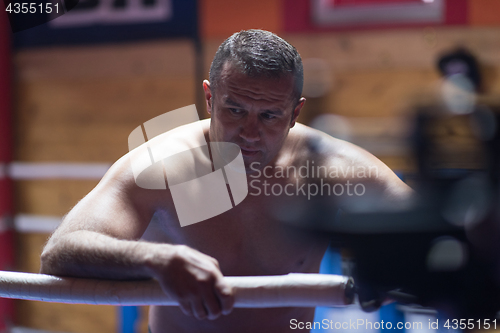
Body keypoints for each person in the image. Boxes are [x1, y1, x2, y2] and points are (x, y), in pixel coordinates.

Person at [40, 29, 413, 333]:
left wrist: (388, 264)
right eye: (234, 110)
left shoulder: (330, 166)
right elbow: (60, 251)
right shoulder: (162, 166)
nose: (249, 132)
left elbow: (433, 234)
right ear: (209, 97)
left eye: (269, 116)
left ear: (295, 112)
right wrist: (156, 259)